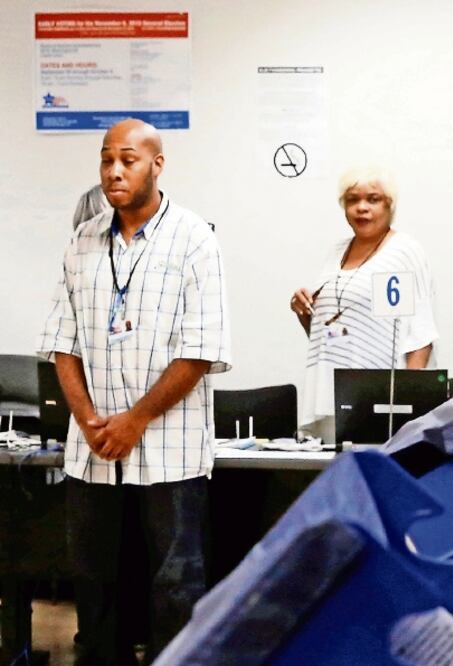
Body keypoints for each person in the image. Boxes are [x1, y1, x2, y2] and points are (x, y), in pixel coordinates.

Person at [38, 118, 231, 664]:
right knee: (94, 586)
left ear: (157, 164)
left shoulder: (194, 238)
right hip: (93, 449)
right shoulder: (84, 240)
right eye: (106, 159)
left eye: (128, 159)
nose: (114, 170)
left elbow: (200, 349)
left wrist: (134, 420)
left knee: (176, 585)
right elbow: (62, 341)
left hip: (170, 449)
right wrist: (90, 420)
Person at [291, 167, 437, 444]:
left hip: (378, 402)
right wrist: (305, 311)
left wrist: (406, 408)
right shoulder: (336, 252)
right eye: (352, 200)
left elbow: (420, 335)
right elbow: (331, 334)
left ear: (389, 205)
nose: (361, 208)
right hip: (330, 393)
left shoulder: (401, 252)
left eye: (372, 199)